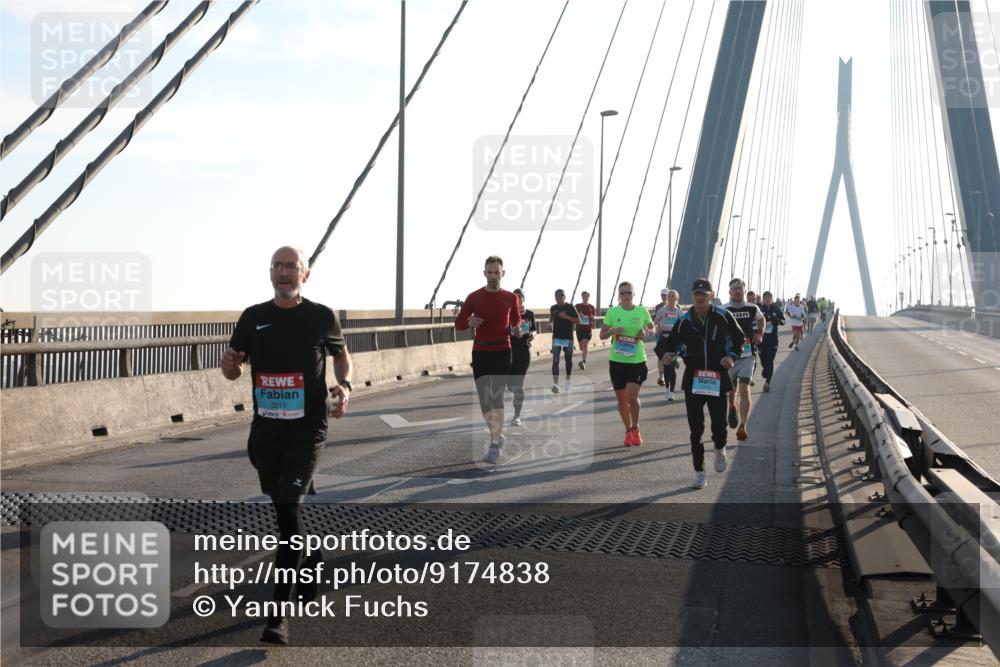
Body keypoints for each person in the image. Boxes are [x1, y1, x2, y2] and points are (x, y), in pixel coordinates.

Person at [221, 245, 353, 645]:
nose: (284, 272)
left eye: (291, 266)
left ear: (305, 274)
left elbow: (343, 358)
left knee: (287, 508)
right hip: (266, 432)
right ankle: (310, 556)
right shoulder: (253, 317)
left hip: (308, 429)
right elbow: (233, 367)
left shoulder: (320, 316)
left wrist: (343, 386)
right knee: (285, 515)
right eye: (277, 266)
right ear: (270, 273)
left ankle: (277, 617)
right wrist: (230, 367)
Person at [656, 278, 745, 488]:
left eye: (704, 295)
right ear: (692, 296)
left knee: (719, 426)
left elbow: (740, 338)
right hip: (694, 378)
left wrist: (731, 356)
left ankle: (720, 448)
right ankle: (700, 470)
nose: (700, 298)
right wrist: (669, 354)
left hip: (717, 376)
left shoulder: (724, 316)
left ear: (711, 296)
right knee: (695, 430)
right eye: (697, 294)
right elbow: (671, 343)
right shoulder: (685, 320)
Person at [455, 255, 522, 465]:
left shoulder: (511, 297)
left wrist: (518, 330)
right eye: (490, 272)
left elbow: (516, 322)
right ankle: (498, 435)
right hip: (481, 352)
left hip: (503, 351)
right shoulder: (474, 297)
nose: (493, 276)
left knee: (496, 398)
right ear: (484, 273)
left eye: (497, 272)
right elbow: (458, 324)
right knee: (485, 402)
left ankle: (494, 445)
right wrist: (470, 321)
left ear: (503, 273)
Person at [600, 281, 655, 446]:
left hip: (637, 360)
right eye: (622, 293)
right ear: (619, 295)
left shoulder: (641, 311)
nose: (625, 296)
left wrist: (646, 332)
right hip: (617, 361)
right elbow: (602, 335)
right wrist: (611, 331)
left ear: (633, 294)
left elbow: (652, 328)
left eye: (628, 293)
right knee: (622, 400)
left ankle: (636, 427)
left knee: (632, 396)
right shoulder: (612, 312)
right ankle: (628, 430)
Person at [722, 278, 765, 442]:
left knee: (744, 389)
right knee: (731, 391)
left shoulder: (752, 308)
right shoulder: (723, 309)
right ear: (729, 292)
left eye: (740, 288)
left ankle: (743, 426)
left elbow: (761, 319)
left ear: (744, 290)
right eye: (734, 288)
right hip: (730, 357)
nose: (737, 291)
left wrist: (760, 333)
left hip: (748, 356)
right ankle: (732, 406)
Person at [508, 288, 536, 426]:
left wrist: (532, 335)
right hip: (508, 352)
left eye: (520, 296)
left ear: (523, 299)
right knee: (510, 386)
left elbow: (534, 329)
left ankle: (517, 415)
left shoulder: (529, 314)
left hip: (523, 352)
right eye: (515, 296)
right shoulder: (507, 313)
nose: (517, 298)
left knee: (518, 385)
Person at [653, 288, 683, 401]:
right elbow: (654, 324)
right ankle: (667, 388)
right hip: (664, 340)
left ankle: (672, 391)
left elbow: (683, 327)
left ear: (676, 299)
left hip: (674, 341)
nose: (670, 298)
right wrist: (657, 329)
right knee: (666, 365)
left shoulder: (680, 312)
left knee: (672, 366)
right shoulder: (662, 310)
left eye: (672, 296)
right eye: (669, 296)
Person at [549, 289, 579, 393]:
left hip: (568, 338)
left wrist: (566, 316)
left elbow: (578, 321)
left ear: (564, 297)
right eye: (556, 298)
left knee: (568, 360)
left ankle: (568, 379)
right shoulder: (553, 308)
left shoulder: (570, 307)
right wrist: (550, 324)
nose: (558, 300)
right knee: (555, 360)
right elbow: (551, 318)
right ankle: (556, 384)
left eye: (560, 297)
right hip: (556, 337)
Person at [758, 291, 785, 392]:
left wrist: (778, 321)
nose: (768, 299)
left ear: (772, 299)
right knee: (763, 360)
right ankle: (766, 371)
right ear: (763, 299)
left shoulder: (776, 309)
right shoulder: (759, 310)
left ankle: (768, 382)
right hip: (761, 340)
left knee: (769, 360)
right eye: (766, 298)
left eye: (769, 297)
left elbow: (783, 321)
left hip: (773, 340)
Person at [575, 291, 597, 370]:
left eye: (587, 296)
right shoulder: (577, 306)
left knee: (585, 345)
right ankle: (583, 355)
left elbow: (593, 317)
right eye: (584, 296)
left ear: (588, 297)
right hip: (579, 329)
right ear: (582, 297)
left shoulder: (591, 307)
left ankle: (583, 362)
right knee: (581, 347)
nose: (585, 298)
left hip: (587, 329)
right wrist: (579, 315)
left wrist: (591, 317)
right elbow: (574, 316)